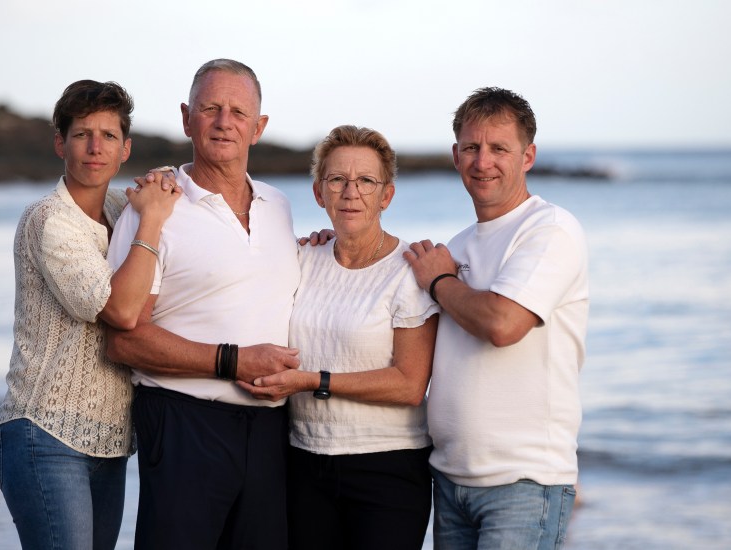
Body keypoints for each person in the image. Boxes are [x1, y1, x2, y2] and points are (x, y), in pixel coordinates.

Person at [105, 59, 301, 550]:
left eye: (239, 112)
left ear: (259, 127)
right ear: (186, 118)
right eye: (210, 108)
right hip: (183, 424)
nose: (224, 122)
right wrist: (233, 361)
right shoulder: (155, 207)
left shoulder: (279, 206)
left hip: (272, 431)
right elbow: (124, 340)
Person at [0, 80, 180, 550]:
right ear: (61, 144)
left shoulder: (121, 210)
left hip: (110, 443)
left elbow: (183, 206)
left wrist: (311, 244)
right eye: (82, 135)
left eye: (108, 136)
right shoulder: (49, 219)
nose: (95, 148)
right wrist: (152, 219)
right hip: (44, 434)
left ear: (125, 149)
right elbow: (120, 310)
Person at [403, 87, 589, 549]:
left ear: (528, 157)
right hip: (450, 482)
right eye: (471, 147)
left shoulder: (550, 229)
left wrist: (439, 281)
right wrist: (323, 244)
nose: (482, 161)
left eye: (499, 148)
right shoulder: (458, 244)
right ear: (455, 156)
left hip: (523, 484)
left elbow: (503, 325)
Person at [240, 125, 439, 550]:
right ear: (319, 192)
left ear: (386, 195)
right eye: (337, 180)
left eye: (366, 181)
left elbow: (409, 385)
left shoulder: (409, 273)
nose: (351, 192)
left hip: (388, 469)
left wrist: (313, 381)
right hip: (303, 462)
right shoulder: (301, 258)